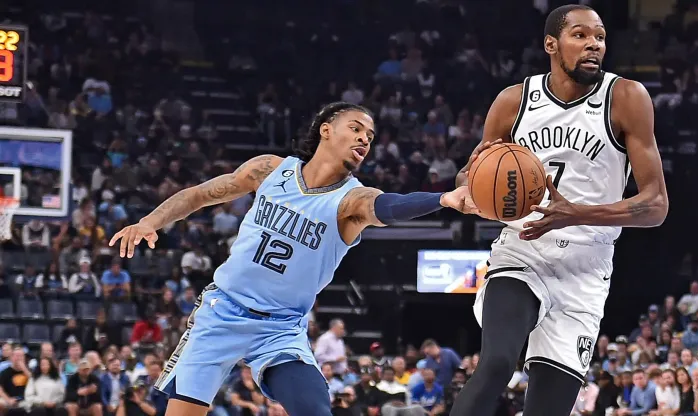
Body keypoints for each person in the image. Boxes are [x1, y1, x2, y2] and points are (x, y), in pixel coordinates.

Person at [109, 102, 478, 416]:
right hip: (222, 311)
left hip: (280, 328)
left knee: (315, 408)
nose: (365, 138)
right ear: (326, 130)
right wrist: (149, 222)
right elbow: (201, 194)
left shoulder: (351, 201)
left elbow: (390, 205)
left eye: (370, 134)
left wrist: (442, 199)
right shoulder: (271, 169)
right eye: (356, 127)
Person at [450, 5, 669, 416]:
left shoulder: (626, 97)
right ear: (551, 44)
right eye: (581, 35)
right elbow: (473, 171)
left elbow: (655, 205)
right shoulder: (513, 101)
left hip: (586, 267)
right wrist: (468, 187)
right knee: (497, 363)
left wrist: (575, 213)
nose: (594, 45)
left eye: (600, 37)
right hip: (523, 248)